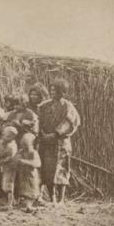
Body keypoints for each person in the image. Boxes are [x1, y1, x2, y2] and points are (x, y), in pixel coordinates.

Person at [39, 78, 80, 206]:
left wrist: (55, 134)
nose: (53, 93)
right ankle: (52, 199)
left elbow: (70, 122)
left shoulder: (68, 106)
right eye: (51, 90)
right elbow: (38, 120)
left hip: (61, 143)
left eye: (56, 91)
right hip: (46, 142)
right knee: (48, 170)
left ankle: (61, 199)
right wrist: (43, 134)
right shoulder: (44, 105)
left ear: (63, 92)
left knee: (61, 169)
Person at [15, 133, 41, 213]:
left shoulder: (33, 153)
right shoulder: (21, 152)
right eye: (23, 143)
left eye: (26, 144)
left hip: (31, 175)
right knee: (23, 189)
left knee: (31, 190)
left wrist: (25, 162)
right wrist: (17, 159)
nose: (24, 145)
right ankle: (25, 203)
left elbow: (37, 164)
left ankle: (30, 205)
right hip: (23, 174)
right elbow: (15, 159)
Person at [0, 126, 19, 210]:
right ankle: (12, 200)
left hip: (10, 167)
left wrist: (3, 161)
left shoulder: (11, 146)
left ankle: (9, 204)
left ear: (12, 137)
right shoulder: (7, 144)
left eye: (6, 136)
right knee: (6, 184)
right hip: (6, 167)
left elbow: (10, 157)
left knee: (9, 185)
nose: (3, 137)